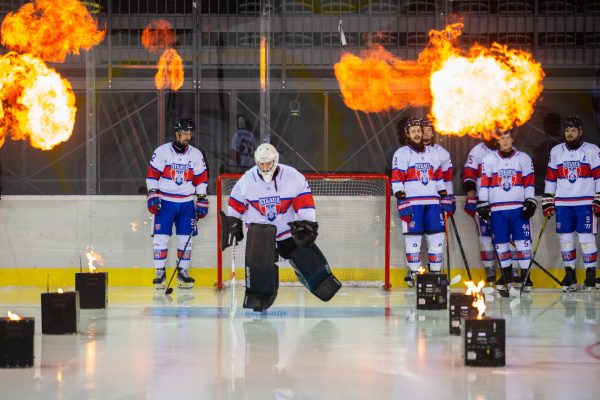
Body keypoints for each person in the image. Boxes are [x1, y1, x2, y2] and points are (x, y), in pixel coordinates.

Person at [221, 143, 341, 311]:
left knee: (305, 256)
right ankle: (259, 296)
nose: (264, 167)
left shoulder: (292, 176)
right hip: (259, 232)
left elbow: (304, 201)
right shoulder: (247, 180)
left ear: (275, 160)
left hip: (287, 231)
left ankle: (321, 281)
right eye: (261, 164)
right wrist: (233, 223)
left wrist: (307, 223)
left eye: (268, 163)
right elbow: (235, 204)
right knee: (259, 268)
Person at [145, 118, 209, 289]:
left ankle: (183, 271)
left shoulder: (196, 154)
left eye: (190, 133)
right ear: (177, 134)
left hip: (187, 203)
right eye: (185, 133)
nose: (188, 136)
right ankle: (160, 272)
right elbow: (152, 176)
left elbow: (201, 179)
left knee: (185, 239)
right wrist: (152, 194)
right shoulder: (162, 152)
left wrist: (201, 198)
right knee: (160, 238)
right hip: (165, 202)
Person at [543, 116, 600, 292]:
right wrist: (548, 200)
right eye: (567, 130)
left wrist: (598, 196)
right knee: (565, 239)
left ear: (580, 132)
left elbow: (599, 175)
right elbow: (551, 177)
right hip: (563, 204)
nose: (569, 133)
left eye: (573, 130)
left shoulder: (592, 150)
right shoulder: (556, 151)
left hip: (585, 203)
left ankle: (590, 274)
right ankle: (570, 274)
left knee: (586, 238)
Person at [391, 116, 450, 287]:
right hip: (413, 204)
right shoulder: (401, 154)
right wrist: (401, 200)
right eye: (413, 131)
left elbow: (438, 177)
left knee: (436, 239)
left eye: (419, 131)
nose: (417, 134)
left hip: (433, 203)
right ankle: (414, 273)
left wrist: (444, 195)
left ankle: (436, 275)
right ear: (407, 134)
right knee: (413, 240)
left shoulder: (433, 153)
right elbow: (397, 179)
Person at [477, 129, 536, 294]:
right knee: (501, 243)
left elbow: (529, 182)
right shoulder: (489, 159)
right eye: (501, 138)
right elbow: (485, 184)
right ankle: (506, 274)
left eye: (507, 137)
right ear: (497, 140)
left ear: (513, 139)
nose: (504, 141)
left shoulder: (523, 158)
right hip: (497, 209)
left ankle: (526, 275)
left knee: (522, 242)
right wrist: (483, 203)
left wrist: (530, 201)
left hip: (518, 208)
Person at [462, 134, 504, 283]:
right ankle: (490, 268)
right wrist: (471, 197)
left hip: (504, 202)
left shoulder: (508, 149)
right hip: (483, 202)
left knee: (506, 236)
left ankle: (510, 269)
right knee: (485, 237)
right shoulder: (477, 151)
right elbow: (469, 176)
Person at [421, 118, 455, 215]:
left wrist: (450, 196)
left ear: (432, 133)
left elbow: (447, 179)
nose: (425, 133)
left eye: (428, 130)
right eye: (423, 130)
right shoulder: (409, 151)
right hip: (416, 198)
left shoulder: (443, 153)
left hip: (435, 199)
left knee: (436, 230)